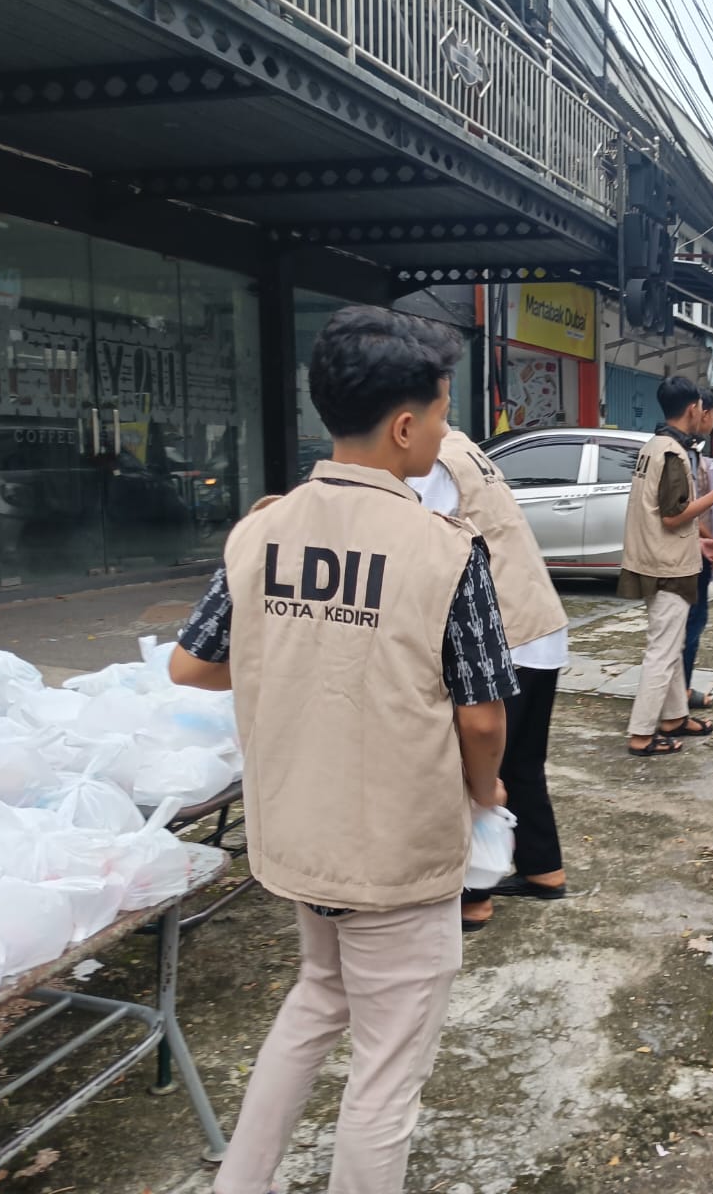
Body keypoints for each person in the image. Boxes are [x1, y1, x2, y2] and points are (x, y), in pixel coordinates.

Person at [168, 306, 516, 1194]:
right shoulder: (444, 551)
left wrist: (298, 654)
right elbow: (481, 716)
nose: (443, 432)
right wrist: (487, 796)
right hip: (397, 850)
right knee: (386, 1072)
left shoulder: (261, 531)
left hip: (297, 837)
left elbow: (192, 663)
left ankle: (237, 1183)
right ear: (405, 425)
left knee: (317, 1000)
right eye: (441, 414)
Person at [407, 427, 571, 932]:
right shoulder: (467, 450)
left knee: (474, 769)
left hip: (502, 632)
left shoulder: (433, 463)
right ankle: (545, 870)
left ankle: (473, 895)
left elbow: (422, 546)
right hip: (541, 626)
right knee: (522, 762)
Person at [621, 376, 713, 757]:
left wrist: (699, 540)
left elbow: (660, 514)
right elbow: (672, 517)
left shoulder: (653, 446)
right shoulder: (672, 453)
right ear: (694, 409)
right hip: (666, 565)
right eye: (704, 409)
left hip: (657, 558)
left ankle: (673, 717)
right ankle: (641, 734)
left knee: (669, 645)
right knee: (662, 649)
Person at [683, 391, 713, 711]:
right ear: (700, 413)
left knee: (693, 624)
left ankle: (679, 689)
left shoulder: (693, 451)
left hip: (697, 549)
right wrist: (712, 538)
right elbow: (684, 509)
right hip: (688, 554)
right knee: (688, 626)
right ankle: (678, 694)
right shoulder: (678, 452)